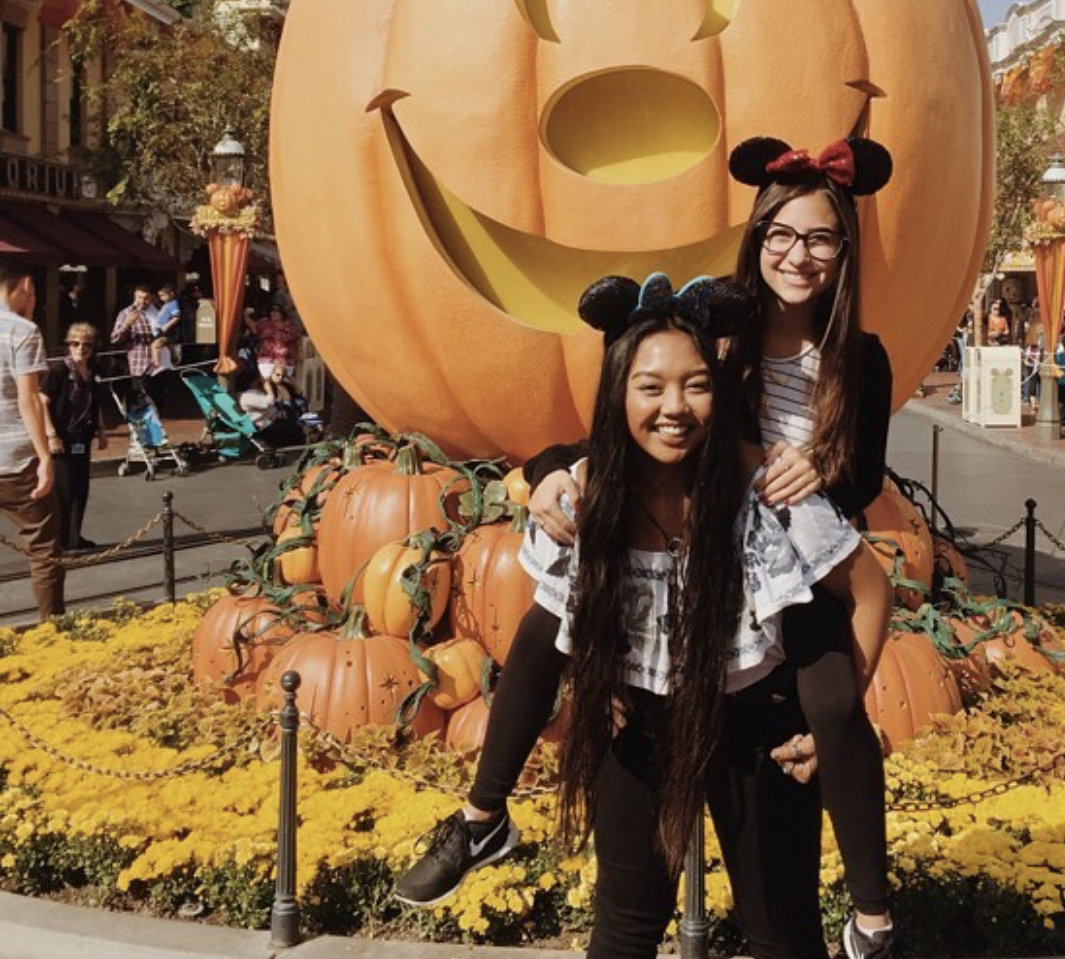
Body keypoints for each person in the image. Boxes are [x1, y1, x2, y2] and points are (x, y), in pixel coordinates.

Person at [397, 136, 899, 959]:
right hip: (694, 556)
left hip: (788, 566)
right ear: (757, 235)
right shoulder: (718, 338)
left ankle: (874, 920)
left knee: (834, 712)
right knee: (550, 620)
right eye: (781, 234)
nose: (797, 254)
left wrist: (808, 477)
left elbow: (858, 499)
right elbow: (639, 414)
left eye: (819, 238)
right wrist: (556, 471)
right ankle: (483, 815)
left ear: (844, 250)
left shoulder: (858, 361)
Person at [0, 261, 63, 619]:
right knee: (43, 550)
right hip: (15, 458)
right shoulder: (22, 330)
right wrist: (45, 457)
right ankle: (51, 632)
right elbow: (28, 398)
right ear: (24, 285)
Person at [40, 323, 107, 554]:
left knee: (80, 490)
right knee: (64, 492)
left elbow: (96, 403)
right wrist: (51, 435)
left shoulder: (95, 371)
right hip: (61, 439)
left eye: (87, 344)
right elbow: (41, 404)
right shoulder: (58, 372)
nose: (82, 348)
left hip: (82, 438)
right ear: (68, 345)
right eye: (76, 344)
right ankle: (59, 539)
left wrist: (101, 430)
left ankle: (73, 536)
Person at [110, 285, 164, 407]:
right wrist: (127, 324)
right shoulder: (125, 313)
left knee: (158, 401)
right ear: (134, 297)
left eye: (146, 298)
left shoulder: (156, 313)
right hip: (138, 366)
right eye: (140, 297)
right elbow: (114, 339)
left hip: (157, 366)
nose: (143, 301)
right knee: (138, 405)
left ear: (151, 298)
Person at [253, 305, 302, 392]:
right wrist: (246, 316)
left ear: (282, 314)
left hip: (284, 360)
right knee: (266, 383)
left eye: (276, 312)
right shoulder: (264, 323)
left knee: (282, 384)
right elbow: (254, 328)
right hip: (266, 359)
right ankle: (269, 399)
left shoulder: (289, 326)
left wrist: (298, 355)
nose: (274, 314)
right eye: (272, 312)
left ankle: (284, 401)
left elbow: (297, 340)